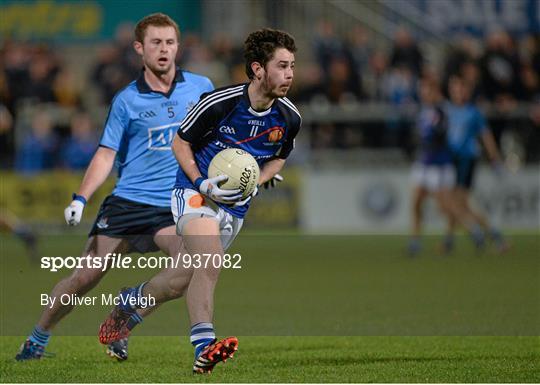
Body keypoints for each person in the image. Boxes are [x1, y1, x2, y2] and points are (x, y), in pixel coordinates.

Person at [98, 28, 300, 374]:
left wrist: (260, 180)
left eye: (292, 66)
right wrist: (200, 182)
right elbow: (180, 143)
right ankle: (204, 346)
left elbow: (279, 156)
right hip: (193, 192)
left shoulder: (289, 117)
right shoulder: (220, 103)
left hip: (235, 207)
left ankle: (130, 303)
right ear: (257, 69)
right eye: (282, 66)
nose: (290, 74)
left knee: (180, 281)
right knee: (210, 258)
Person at [15, 13, 214, 362]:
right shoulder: (126, 100)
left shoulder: (201, 87)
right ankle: (35, 340)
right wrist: (81, 197)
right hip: (128, 202)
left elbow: (219, 134)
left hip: (173, 205)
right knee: (84, 277)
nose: (163, 49)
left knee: (189, 269)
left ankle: (126, 314)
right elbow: (106, 154)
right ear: (140, 48)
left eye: (169, 42)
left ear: (178, 46)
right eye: (156, 42)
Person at [408, 78, 484, 256]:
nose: (423, 93)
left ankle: (473, 230)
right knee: (416, 202)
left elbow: (439, 135)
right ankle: (415, 241)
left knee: (445, 207)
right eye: (422, 90)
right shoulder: (424, 111)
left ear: (435, 91)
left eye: (426, 90)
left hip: (439, 165)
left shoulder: (442, 110)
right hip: (424, 163)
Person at [445, 76, 508, 252]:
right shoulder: (448, 110)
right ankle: (450, 239)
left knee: (456, 202)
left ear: (466, 91)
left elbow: (486, 137)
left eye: (460, 89)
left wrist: (494, 158)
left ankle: (483, 233)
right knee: (457, 203)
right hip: (451, 160)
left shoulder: (473, 112)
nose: (457, 93)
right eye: (454, 89)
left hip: (467, 159)